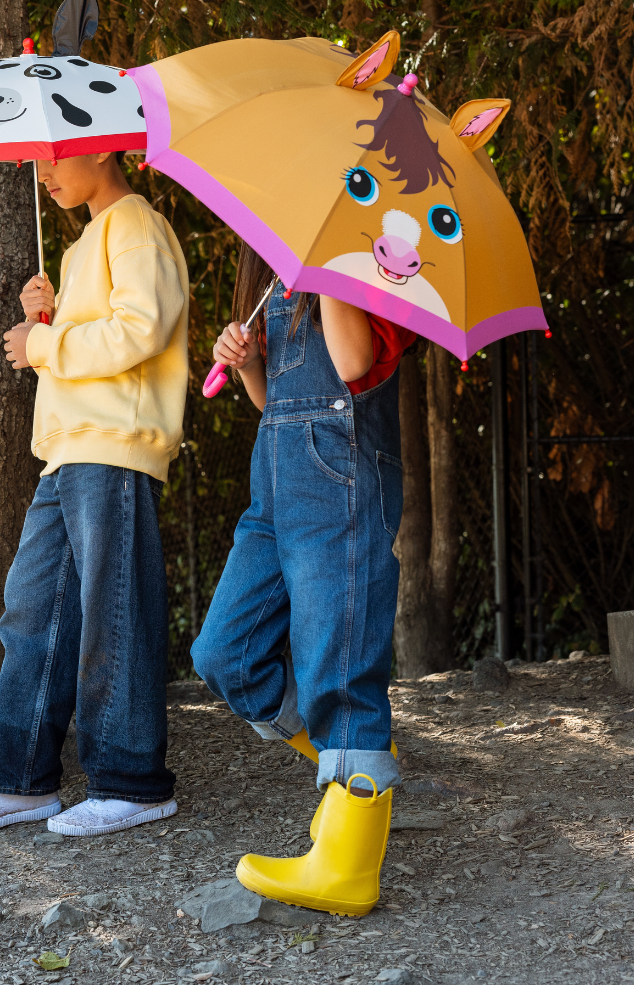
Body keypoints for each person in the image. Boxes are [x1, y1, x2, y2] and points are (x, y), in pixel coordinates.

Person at [0, 150, 189, 840]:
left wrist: (44, 342)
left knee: (113, 609)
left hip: (112, 445)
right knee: (33, 610)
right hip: (68, 453)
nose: (42, 174)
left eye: (53, 159)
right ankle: (19, 781)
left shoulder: (134, 222)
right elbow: (85, 341)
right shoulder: (81, 245)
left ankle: (131, 782)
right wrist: (48, 319)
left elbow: (142, 329)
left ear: (102, 146)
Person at [191, 247, 414, 916]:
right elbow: (270, 400)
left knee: (337, 669)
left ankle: (348, 864)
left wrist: (330, 266)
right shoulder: (266, 265)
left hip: (337, 470)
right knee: (225, 654)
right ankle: (356, 774)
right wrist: (245, 357)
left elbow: (349, 365)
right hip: (277, 479)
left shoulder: (368, 255)